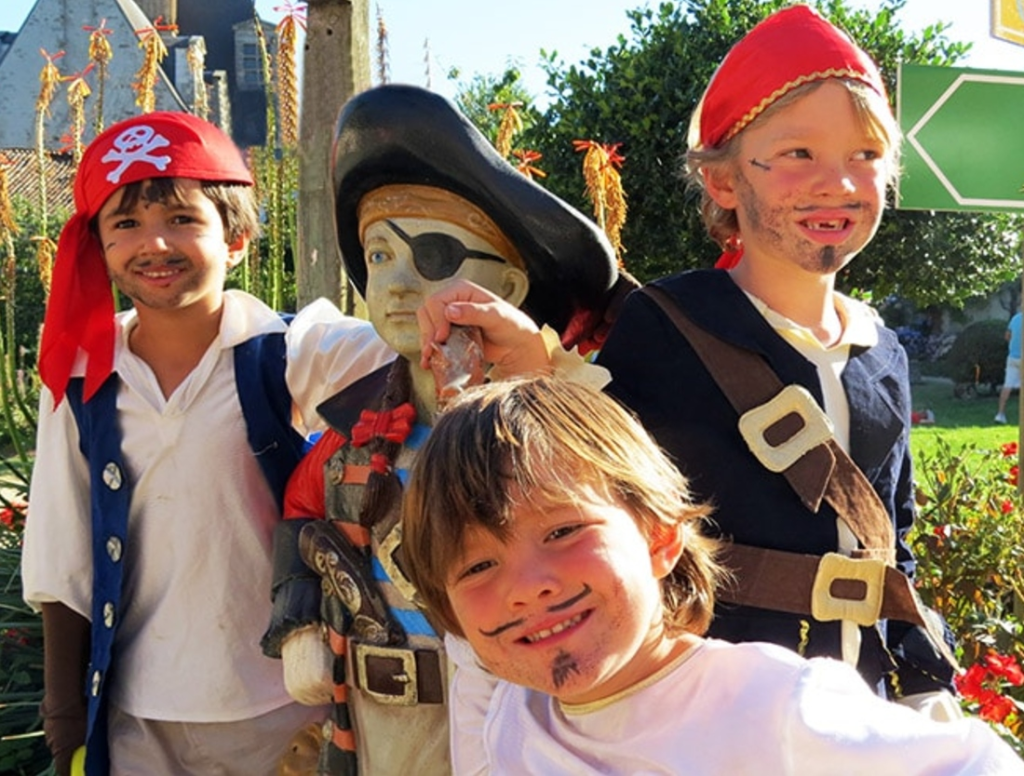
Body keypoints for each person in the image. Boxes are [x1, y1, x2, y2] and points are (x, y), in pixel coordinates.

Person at [19, 110, 548, 776]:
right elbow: (60, 550)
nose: (154, 244)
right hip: (137, 708)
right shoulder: (80, 373)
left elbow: (417, 344)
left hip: (286, 703)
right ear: (98, 244)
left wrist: (520, 327)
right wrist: (65, 711)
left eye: (183, 219)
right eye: (125, 224)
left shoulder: (289, 351)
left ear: (236, 239)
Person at [596, 4, 958, 711]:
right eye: (799, 154)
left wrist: (923, 688)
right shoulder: (662, 328)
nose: (840, 182)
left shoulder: (883, 349)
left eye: (866, 155)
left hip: (863, 713)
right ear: (724, 181)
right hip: (713, 717)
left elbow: (893, 544)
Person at [259, 84, 624, 775]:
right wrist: (302, 621)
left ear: (510, 287)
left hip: (523, 696)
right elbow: (304, 513)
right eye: (378, 257)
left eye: (430, 256)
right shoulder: (357, 433)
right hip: (387, 708)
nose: (396, 285)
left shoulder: (547, 424)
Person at [399, 376, 1023, 774]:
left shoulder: (770, 705)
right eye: (478, 565)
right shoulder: (517, 711)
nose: (525, 584)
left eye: (562, 532)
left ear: (661, 536)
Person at [995, 310, 1021, 424]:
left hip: (1013, 357)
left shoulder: (1015, 318)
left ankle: (1000, 414)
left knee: (1007, 385)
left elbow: (1007, 336)